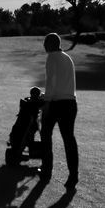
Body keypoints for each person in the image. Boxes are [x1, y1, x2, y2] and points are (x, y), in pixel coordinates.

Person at [37, 32, 78, 191]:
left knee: (46, 135)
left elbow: (51, 81)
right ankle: (73, 175)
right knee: (69, 139)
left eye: (45, 44)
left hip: (56, 103)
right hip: (71, 103)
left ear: (50, 44)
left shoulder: (52, 57)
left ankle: (47, 170)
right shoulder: (67, 58)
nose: (44, 46)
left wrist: (46, 101)